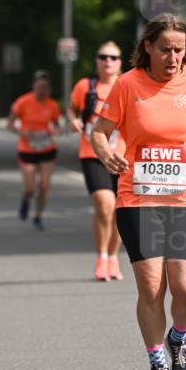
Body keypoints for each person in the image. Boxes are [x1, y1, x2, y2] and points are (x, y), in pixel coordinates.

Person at [90, 13, 186, 370]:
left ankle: (178, 337)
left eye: (180, 50)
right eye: (166, 49)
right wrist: (105, 154)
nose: (173, 57)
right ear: (148, 47)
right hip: (139, 198)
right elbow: (99, 132)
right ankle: (156, 365)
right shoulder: (127, 84)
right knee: (152, 288)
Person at [68, 41, 124, 281]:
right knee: (104, 204)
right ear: (97, 61)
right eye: (103, 57)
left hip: (122, 156)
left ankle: (113, 257)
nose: (108, 61)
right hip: (92, 154)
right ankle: (101, 256)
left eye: (113, 57)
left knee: (120, 212)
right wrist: (73, 120)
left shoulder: (128, 86)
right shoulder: (85, 86)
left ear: (120, 62)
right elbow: (71, 108)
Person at [8, 70, 62, 231]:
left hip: (47, 149)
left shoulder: (53, 105)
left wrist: (54, 132)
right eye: (39, 86)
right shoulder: (23, 102)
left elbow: (58, 127)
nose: (42, 90)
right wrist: (23, 133)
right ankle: (25, 201)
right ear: (34, 86)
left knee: (44, 186)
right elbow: (9, 123)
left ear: (49, 89)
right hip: (27, 149)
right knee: (30, 188)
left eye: (45, 87)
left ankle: (38, 216)